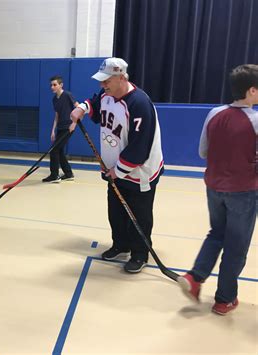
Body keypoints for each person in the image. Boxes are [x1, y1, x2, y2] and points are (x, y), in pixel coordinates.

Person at [70, 57, 164, 273]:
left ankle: (140, 253)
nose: (102, 85)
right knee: (116, 211)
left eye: (107, 81)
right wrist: (82, 109)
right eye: (101, 81)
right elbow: (94, 102)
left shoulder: (140, 104)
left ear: (122, 77)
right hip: (114, 172)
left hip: (139, 173)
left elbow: (140, 148)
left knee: (139, 215)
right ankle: (121, 244)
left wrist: (118, 170)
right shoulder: (107, 95)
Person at [178, 64, 258, 315]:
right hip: (243, 191)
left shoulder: (214, 114)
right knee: (236, 246)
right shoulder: (255, 121)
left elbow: (203, 152)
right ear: (252, 91)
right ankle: (224, 299)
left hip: (214, 187)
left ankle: (195, 277)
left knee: (217, 233)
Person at [42, 75, 78, 183]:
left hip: (68, 127)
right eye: (51, 85)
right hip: (60, 128)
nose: (52, 87)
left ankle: (54, 175)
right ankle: (68, 173)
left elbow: (79, 107)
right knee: (60, 151)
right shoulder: (54, 99)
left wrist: (74, 124)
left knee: (54, 150)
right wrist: (53, 130)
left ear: (61, 85)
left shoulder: (67, 95)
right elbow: (57, 116)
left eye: (54, 85)